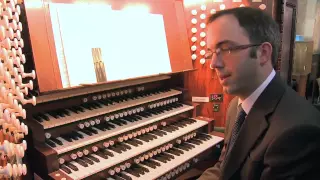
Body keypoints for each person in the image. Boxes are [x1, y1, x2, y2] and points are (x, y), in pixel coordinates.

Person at [198, 7, 320, 180]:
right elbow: (224, 168)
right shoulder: (238, 106)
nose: (213, 63)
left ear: (263, 53)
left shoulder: (297, 133)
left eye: (225, 49)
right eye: (211, 52)